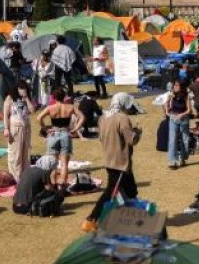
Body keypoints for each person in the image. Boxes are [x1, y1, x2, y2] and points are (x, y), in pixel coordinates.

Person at [84, 93, 141, 232]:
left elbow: (102, 138)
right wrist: (138, 132)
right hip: (120, 162)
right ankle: (91, 219)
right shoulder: (122, 118)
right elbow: (131, 140)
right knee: (110, 192)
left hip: (109, 159)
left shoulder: (103, 118)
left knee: (131, 191)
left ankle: (131, 218)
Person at [37, 86, 84, 191]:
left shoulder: (50, 107)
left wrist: (46, 129)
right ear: (64, 97)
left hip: (53, 134)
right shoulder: (70, 107)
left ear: (54, 97)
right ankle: (62, 186)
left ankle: (53, 185)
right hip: (65, 134)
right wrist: (76, 128)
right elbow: (82, 117)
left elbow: (39, 118)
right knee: (64, 163)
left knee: (52, 163)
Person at [1, 79, 35, 181]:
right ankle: (15, 177)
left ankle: (25, 175)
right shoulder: (10, 99)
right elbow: (6, 116)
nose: (23, 90)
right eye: (21, 88)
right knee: (16, 154)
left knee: (25, 153)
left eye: (24, 89)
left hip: (26, 129)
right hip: (15, 129)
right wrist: (6, 129)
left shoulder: (26, 99)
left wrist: (26, 99)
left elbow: (32, 110)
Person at [164, 79, 193, 169]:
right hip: (173, 118)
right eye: (175, 85)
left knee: (185, 140)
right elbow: (166, 103)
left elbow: (189, 110)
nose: (175, 87)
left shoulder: (186, 96)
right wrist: (167, 112)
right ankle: (172, 161)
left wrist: (182, 115)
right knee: (172, 139)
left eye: (177, 85)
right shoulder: (171, 94)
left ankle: (183, 158)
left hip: (184, 119)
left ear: (182, 87)